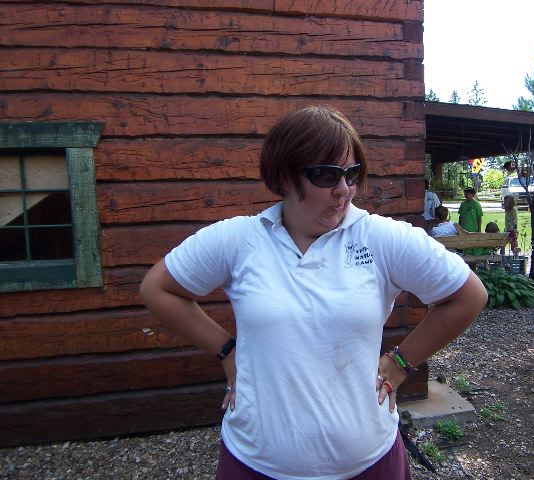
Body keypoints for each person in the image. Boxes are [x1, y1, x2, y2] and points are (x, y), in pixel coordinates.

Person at [139, 105, 487, 480]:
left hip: (369, 464)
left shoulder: (381, 238)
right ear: (285, 177)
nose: (344, 189)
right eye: (326, 175)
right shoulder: (239, 239)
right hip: (255, 464)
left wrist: (402, 362)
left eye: (351, 174)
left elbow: (469, 296)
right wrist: (227, 351)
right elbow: (158, 289)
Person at [458, 187, 484, 256]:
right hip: (463, 228)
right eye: (465, 193)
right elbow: (460, 216)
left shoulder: (477, 204)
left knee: (472, 246)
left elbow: (479, 218)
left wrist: (479, 229)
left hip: (473, 229)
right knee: (464, 246)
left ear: (473, 194)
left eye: (467, 194)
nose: (465, 195)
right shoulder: (463, 204)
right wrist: (459, 227)